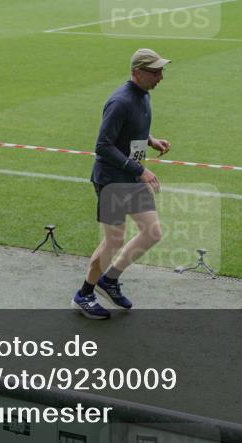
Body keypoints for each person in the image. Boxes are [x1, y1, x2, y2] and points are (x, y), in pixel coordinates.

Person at [73, 49, 171, 319]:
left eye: (161, 70)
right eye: (155, 72)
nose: (161, 76)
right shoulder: (120, 101)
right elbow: (103, 146)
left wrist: (150, 139)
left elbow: (130, 129)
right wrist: (140, 170)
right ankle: (85, 294)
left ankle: (110, 279)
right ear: (137, 73)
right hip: (113, 180)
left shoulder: (142, 95)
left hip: (130, 176)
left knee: (152, 232)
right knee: (113, 240)